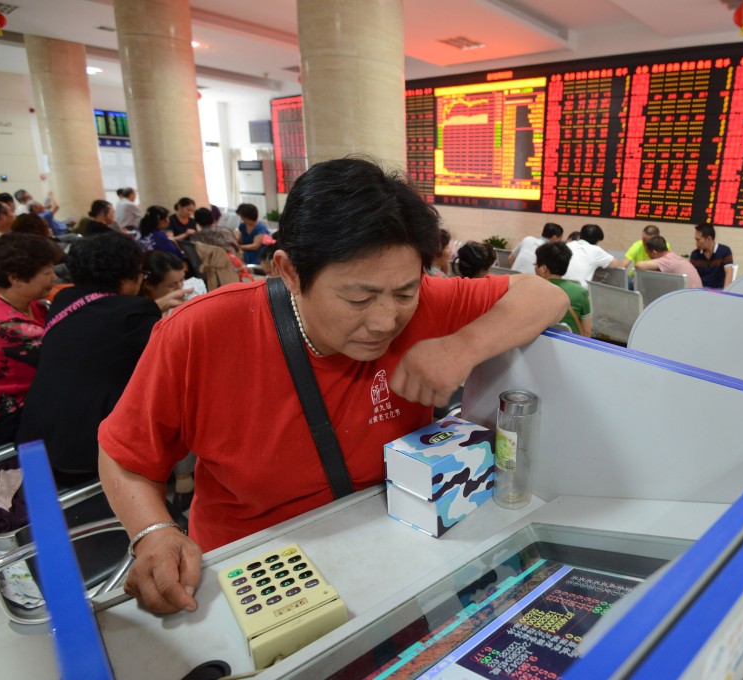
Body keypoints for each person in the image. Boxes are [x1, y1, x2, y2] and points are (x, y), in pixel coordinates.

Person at [98, 156, 567, 614]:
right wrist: (153, 531)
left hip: (396, 542)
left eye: (405, 292)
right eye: (358, 298)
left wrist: (460, 347)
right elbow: (126, 457)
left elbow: (545, 295)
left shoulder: (424, 304)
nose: (386, 321)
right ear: (289, 272)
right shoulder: (200, 332)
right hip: (251, 570)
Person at [16, 234, 175, 484]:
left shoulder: (64, 300)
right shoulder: (135, 312)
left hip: (37, 439)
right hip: (87, 452)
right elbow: (171, 358)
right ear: (126, 277)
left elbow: (103, 325)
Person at [0, 233, 64, 447]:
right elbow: (67, 358)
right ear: (15, 278)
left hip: (33, 398)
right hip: (11, 417)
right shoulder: (5, 325)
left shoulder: (26, 305)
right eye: (46, 272)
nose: (54, 277)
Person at [534, 241, 591, 337]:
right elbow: (587, 331)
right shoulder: (579, 292)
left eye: (536, 264)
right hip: (570, 346)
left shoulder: (530, 288)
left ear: (543, 269)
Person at [636, 235, 703, 288]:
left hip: (690, 299)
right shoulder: (673, 256)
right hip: (696, 295)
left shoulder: (667, 260)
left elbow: (639, 266)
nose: (648, 256)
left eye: (648, 253)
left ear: (654, 252)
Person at [690, 223, 734, 289]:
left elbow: (729, 272)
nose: (696, 243)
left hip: (719, 289)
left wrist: (725, 293)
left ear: (709, 239)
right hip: (701, 290)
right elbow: (692, 276)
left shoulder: (725, 251)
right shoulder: (695, 254)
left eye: (698, 240)